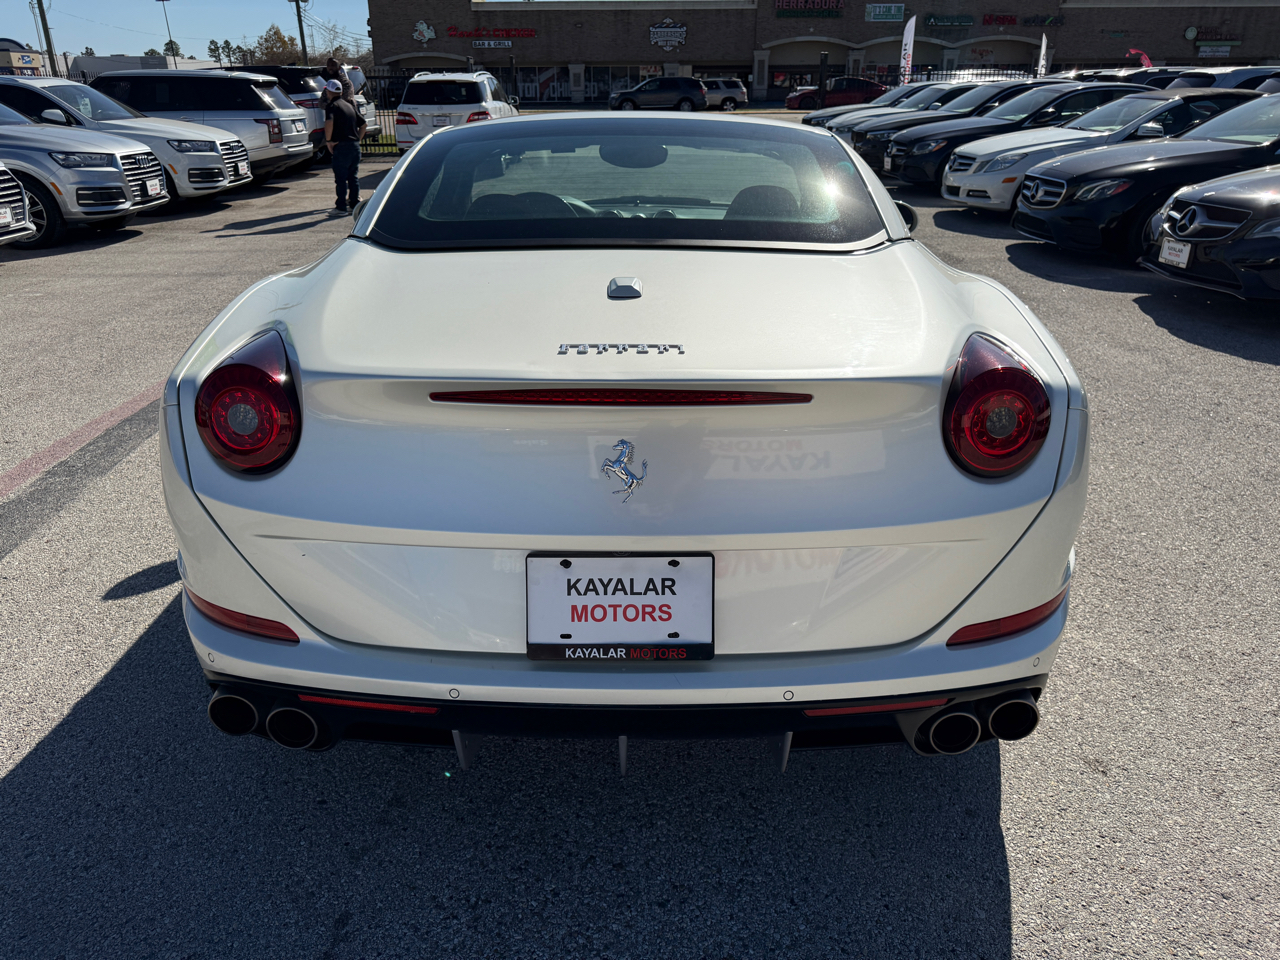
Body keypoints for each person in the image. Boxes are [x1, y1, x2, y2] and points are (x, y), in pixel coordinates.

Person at [323, 78, 365, 214]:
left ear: (329, 91)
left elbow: (329, 122)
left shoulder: (332, 106)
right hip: (354, 146)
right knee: (353, 177)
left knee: (341, 178)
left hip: (341, 146)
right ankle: (354, 203)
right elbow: (363, 125)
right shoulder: (349, 105)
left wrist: (328, 140)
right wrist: (357, 139)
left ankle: (341, 206)